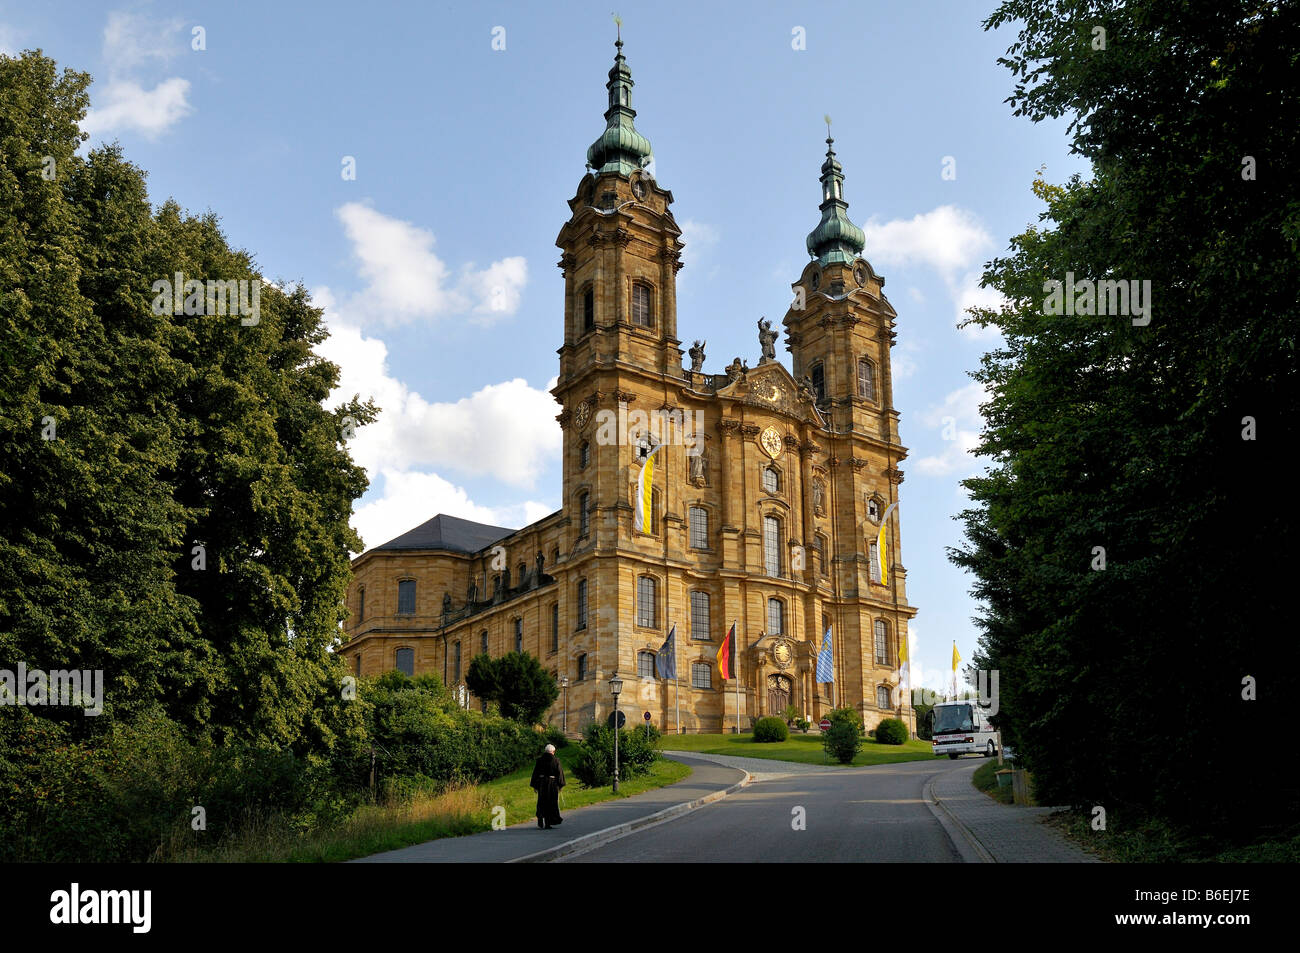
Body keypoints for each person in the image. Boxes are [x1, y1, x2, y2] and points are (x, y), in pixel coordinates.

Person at [530, 743, 565, 829]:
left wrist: (535, 785)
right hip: (552, 783)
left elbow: (536, 773)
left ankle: (540, 817)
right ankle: (548, 823)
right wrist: (560, 785)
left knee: (541, 801)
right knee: (551, 802)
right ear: (553, 752)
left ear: (545, 751)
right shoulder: (556, 760)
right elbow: (559, 773)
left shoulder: (539, 760)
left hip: (542, 783)